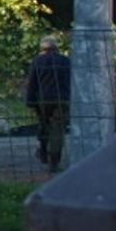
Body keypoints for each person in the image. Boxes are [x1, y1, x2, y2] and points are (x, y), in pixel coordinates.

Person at [25, 35, 71, 172]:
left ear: (42, 48)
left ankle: (43, 150)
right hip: (61, 99)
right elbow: (71, 80)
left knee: (44, 125)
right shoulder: (65, 61)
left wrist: (30, 102)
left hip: (42, 100)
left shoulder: (37, 62)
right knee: (57, 129)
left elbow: (32, 83)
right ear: (56, 47)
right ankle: (54, 160)